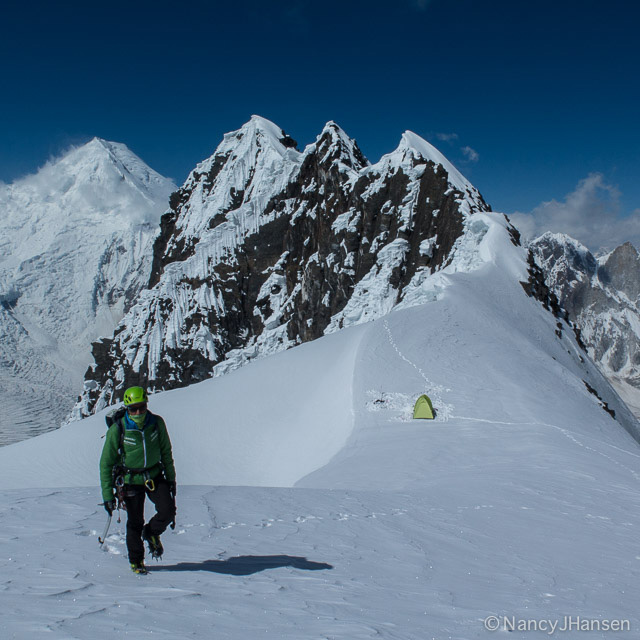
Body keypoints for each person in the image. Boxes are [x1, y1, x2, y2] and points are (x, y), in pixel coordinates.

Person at [99, 386, 176, 574]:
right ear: (127, 408)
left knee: (167, 511)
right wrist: (108, 495)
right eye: (133, 409)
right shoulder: (118, 429)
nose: (138, 412)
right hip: (130, 479)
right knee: (134, 521)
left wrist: (171, 479)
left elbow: (166, 452)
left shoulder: (156, 423)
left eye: (141, 407)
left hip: (154, 475)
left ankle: (151, 533)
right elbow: (106, 463)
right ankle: (136, 561)